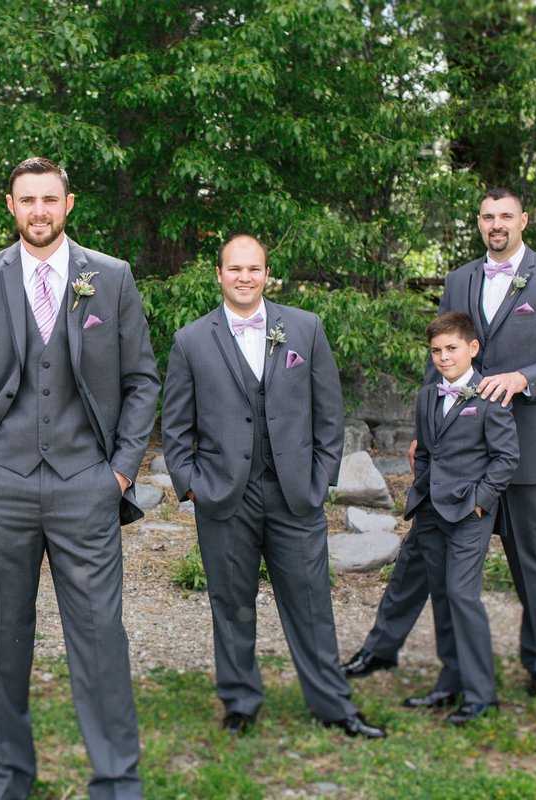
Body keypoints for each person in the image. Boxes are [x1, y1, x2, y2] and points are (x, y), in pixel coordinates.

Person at [0, 157, 159, 800]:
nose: (38, 210)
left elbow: (142, 379)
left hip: (86, 483)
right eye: (27, 200)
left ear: (69, 204)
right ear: (10, 205)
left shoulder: (109, 277)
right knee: (3, 636)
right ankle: (8, 771)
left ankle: (116, 776)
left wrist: (119, 471)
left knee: (99, 636)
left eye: (49, 199)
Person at [343, 188, 536, 697]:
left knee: (529, 556)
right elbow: (442, 352)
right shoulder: (459, 279)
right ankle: (380, 648)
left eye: (505, 215)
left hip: (520, 444)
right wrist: (424, 430)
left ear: (524, 219)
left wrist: (522, 378)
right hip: (453, 447)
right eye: (487, 216)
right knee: (420, 552)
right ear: (479, 223)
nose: (496, 224)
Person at [160, 234, 386, 739]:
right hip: (223, 497)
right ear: (218, 274)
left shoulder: (303, 329)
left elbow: (329, 415)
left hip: (294, 495)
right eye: (234, 269)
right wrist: (192, 486)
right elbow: (175, 427)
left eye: (254, 269)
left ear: (267, 274)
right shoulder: (191, 340)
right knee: (232, 605)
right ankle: (240, 703)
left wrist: (321, 479)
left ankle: (334, 706)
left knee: (311, 606)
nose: (244, 277)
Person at [401, 312, 519, 724]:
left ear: (472, 348)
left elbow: (507, 458)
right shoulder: (427, 395)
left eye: (451, 349)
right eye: (436, 351)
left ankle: (481, 694)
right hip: (433, 510)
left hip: (470, 512)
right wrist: (422, 491)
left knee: (463, 596)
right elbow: (426, 452)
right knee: (442, 596)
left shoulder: (489, 395)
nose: (443, 357)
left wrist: (481, 502)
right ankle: (450, 682)